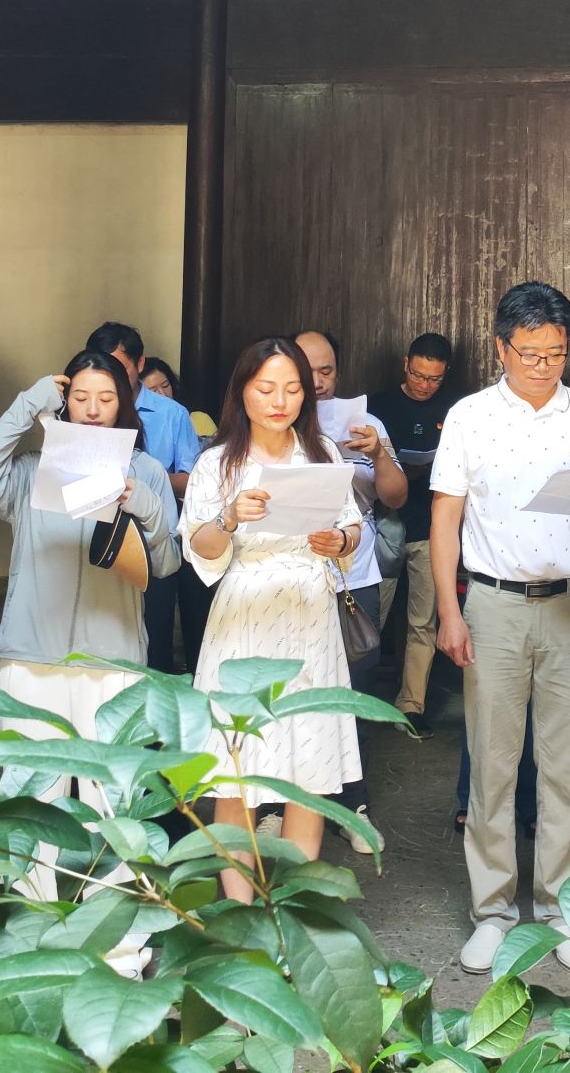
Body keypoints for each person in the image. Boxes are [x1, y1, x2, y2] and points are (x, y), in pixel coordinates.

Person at [432, 281, 570, 975]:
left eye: (556, 353)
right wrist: (449, 611)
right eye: (530, 354)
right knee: (492, 765)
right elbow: (445, 519)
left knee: (567, 769)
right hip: (495, 605)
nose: (544, 366)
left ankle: (562, 915)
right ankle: (492, 912)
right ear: (501, 348)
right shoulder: (470, 417)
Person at [0, 351, 180, 883]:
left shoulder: (146, 472)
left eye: (106, 398)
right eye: (80, 397)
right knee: (33, 798)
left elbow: (168, 562)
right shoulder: (31, 472)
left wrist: (143, 502)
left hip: (115, 661)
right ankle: (34, 912)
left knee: (114, 801)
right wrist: (29, 402)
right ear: (64, 403)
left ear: (123, 405)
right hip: (31, 657)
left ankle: (115, 921)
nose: (92, 409)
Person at [178, 337, 365, 903]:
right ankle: (240, 912)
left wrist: (339, 541)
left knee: (309, 771)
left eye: (292, 389)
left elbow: (353, 527)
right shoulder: (218, 463)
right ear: (242, 392)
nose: (280, 401)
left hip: (310, 614)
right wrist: (229, 517)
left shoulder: (323, 453)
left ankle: (291, 908)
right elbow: (200, 548)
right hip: (245, 617)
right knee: (237, 772)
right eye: (266, 388)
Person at [295, 328, 409, 853]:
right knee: (292, 690)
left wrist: (378, 452)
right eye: (307, 370)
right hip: (290, 577)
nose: (318, 382)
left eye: (326, 371)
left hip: (353, 577)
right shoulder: (275, 420)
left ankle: (349, 801)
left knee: (353, 687)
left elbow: (396, 496)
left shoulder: (366, 423)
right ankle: (278, 806)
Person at [87, 323, 205, 671]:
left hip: (155, 538)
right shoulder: (85, 412)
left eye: (119, 367)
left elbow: (192, 481)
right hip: (97, 538)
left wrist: (143, 480)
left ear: (140, 364)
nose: (109, 377)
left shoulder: (172, 414)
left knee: (156, 638)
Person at [373, 332, 459, 736]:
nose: (425, 385)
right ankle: (356, 699)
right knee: (370, 617)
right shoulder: (378, 407)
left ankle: (412, 705)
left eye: (435, 379)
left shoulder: (456, 410)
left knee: (423, 621)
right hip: (383, 524)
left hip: (431, 527)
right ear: (405, 365)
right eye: (419, 375)